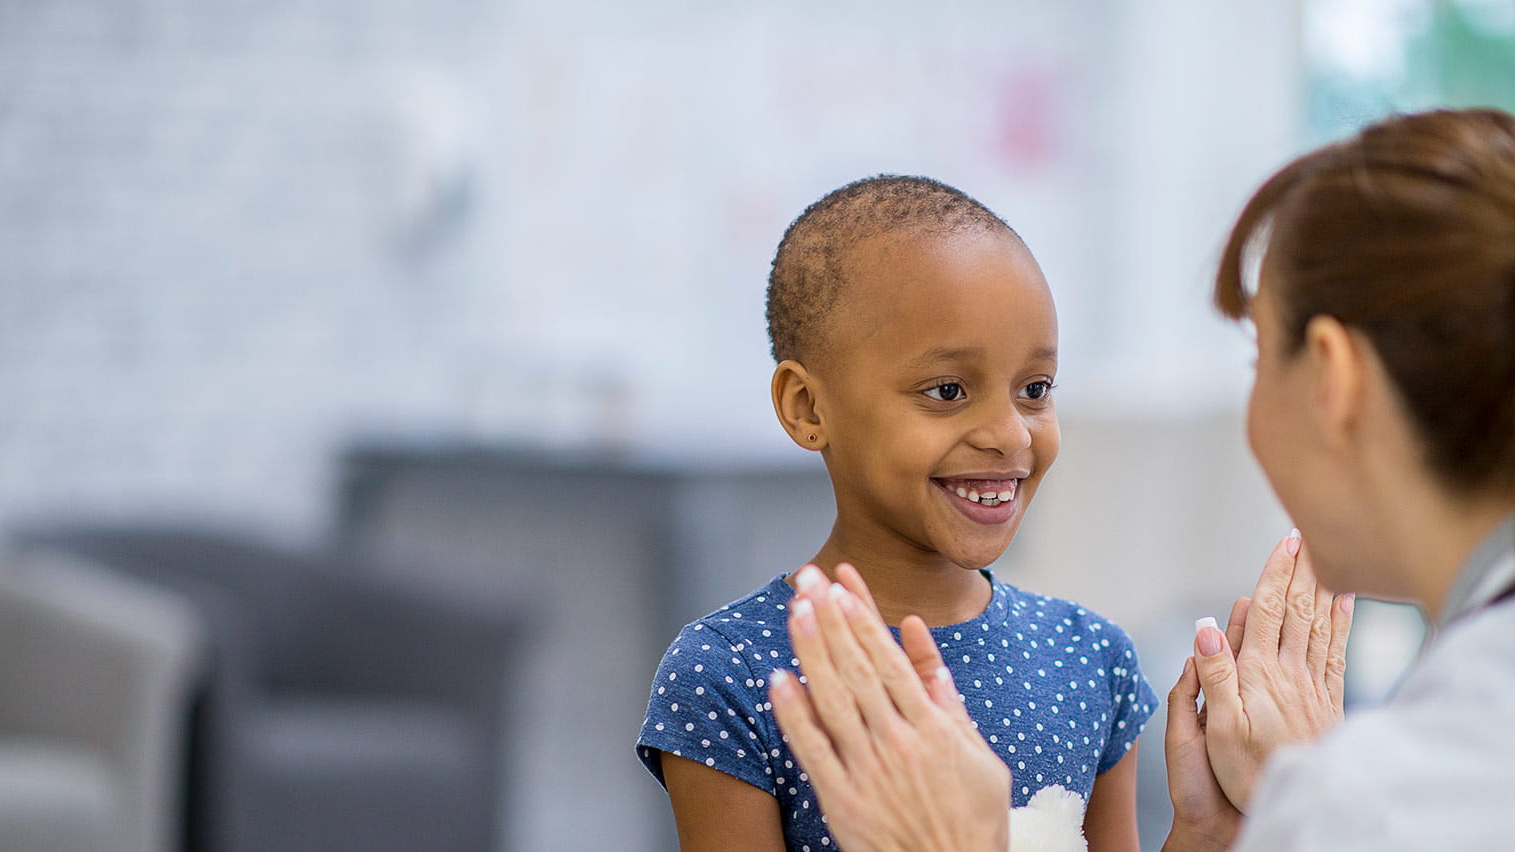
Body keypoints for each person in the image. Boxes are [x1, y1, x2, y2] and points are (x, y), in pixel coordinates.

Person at [768, 107, 1515, 851]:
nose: (1005, 434)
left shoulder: (1392, 794)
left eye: (1257, 356)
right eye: (948, 390)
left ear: (1331, 379)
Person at [636, 176, 1160, 852]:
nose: (1010, 434)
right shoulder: (733, 673)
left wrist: (1209, 831)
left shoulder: (1092, 659)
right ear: (807, 407)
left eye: (1035, 389)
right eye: (947, 391)